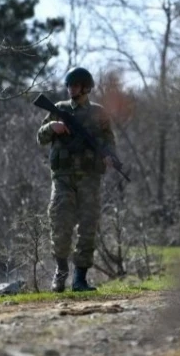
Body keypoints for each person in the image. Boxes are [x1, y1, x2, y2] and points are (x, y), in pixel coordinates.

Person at [37, 67, 116, 292]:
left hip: (90, 179)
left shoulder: (99, 113)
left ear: (86, 87)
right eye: (69, 85)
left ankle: (80, 279)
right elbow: (40, 137)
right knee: (60, 225)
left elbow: (109, 141)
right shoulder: (59, 109)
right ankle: (60, 274)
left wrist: (110, 156)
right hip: (62, 179)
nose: (71, 89)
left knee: (88, 228)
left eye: (75, 85)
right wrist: (51, 127)